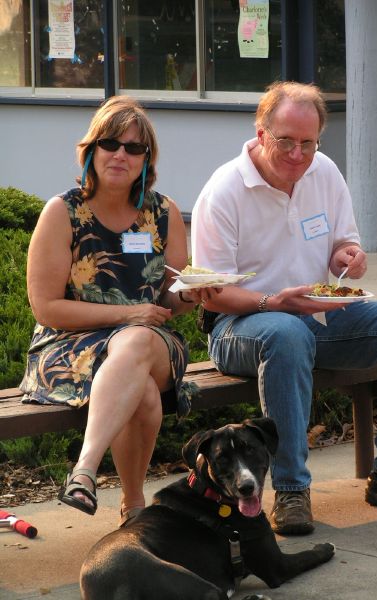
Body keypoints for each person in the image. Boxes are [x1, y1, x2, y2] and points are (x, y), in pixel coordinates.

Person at [191, 81, 377, 536]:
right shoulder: (224, 191)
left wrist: (349, 256)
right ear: (261, 132)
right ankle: (292, 489)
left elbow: (342, 244)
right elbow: (211, 294)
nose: (297, 154)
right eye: (285, 141)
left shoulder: (324, 171)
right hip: (238, 325)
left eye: (308, 143)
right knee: (286, 333)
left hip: (315, 316)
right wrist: (273, 302)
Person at [20, 95, 221, 526]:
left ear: (147, 158)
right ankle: (134, 507)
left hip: (152, 343)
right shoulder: (63, 212)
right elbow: (47, 308)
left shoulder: (163, 212)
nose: (120, 155)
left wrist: (192, 295)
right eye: (110, 143)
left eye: (133, 148)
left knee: (138, 342)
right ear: (91, 150)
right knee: (142, 388)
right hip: (69, 347)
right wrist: (128, 316)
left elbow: (169, 300)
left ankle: (84, 470)